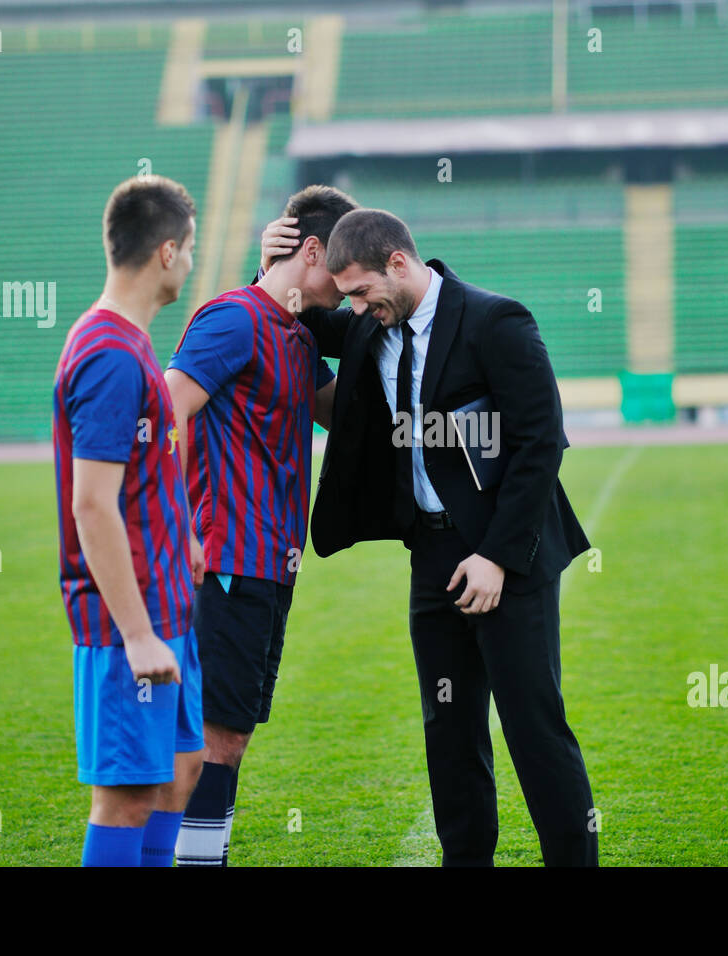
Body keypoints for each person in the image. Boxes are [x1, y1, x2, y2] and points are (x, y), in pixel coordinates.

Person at [280, 206, 598, 866]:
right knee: (448, 733)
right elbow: (300, 311)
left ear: (398, 264)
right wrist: (270, 255)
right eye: (349, 298)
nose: (357, 309)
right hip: (432, 560)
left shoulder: (495, 322)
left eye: (363, 292)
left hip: (510, 559)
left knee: (534, 731)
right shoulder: (372, 325)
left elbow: (542, 443)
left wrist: (498, 559)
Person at [164, 185, 353, 867]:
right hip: (226, 565)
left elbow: (351, 421)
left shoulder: (298, 337)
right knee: (213, 740)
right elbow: (160, 415)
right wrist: (177, 531)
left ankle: (195, 858)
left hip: (271, 570)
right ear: (310, 250)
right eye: (343, 265)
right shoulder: (233, 320)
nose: (351, 282)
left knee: (226, 738)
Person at [51, 175, 206, 867]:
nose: (194, 265)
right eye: (192, 250)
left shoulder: (134, 341)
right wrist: (138, 634)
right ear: (168, 252)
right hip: (128, 625)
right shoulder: (111, 355)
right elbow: (92, 502)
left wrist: (185, 544)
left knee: (180, 772)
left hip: (168, 602)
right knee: (128, 795)